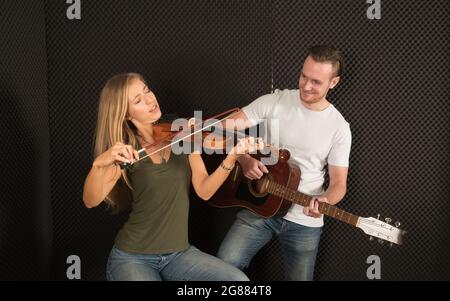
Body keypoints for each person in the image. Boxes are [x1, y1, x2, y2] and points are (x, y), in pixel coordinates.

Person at [82, 73, 262, 281]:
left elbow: (204, 190)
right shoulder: (126, 151)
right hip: (133, 257)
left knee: (238, 282)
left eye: (147, 90)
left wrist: (231, 158)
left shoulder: (182, 132)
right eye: (138, 100)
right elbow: (90, 200)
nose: (150, 100)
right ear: (126, 114)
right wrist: (98, 164)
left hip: (178, 255)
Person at [217, 45, 352, 280]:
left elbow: (339, 184)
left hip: (304, 219)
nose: (306, 86)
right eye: (303, 76)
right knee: (223, 267)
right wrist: (242, 157)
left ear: (333, 82)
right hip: (260, 206)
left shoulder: (339, 127)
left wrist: (325, 199)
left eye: (316, 82)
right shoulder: (275, 101)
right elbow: (219, 129)